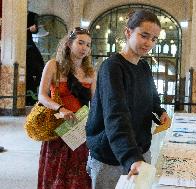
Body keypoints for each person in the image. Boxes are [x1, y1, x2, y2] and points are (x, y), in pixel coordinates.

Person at [86, 10, 170, 189]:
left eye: (154, 39)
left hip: (139, 151)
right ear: (128, 32)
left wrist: (160, 111)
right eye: (144, 35)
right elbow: (116, 115)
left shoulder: (144, 66)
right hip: (112, 156)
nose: (149, 43)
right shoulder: (112, 67)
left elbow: (152, 97)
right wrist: (131, 157)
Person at [37, 27, 96, 189]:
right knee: (54, 172)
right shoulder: (53, 66)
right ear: (69, 43)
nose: (84, 48)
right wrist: (60, 108)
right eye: (81, 42)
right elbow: (42, 96)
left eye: (88, 45)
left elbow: (96, 102)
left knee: (78, 174)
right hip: (57, 128)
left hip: (79, 130)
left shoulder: (90, 72)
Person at [26, 11, 45, 106]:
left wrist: (33, 29)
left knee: (40, 64)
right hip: (20, 42)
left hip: (28, 42)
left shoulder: (33, 15)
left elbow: (35, 29)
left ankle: (33, 94)